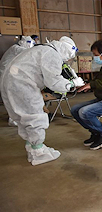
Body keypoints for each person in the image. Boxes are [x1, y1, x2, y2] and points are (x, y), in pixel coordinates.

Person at [0, 36, 79, 165]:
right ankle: (38, 152)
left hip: (10, 82)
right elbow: (53, 81)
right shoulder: (52, 54)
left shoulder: (42, 49)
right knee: (35, 115)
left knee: (24, 116)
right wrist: (71, 84)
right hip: (22, 84)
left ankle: (32, 147)